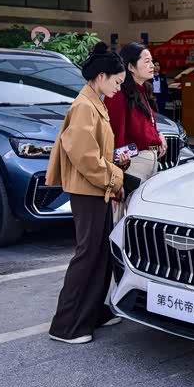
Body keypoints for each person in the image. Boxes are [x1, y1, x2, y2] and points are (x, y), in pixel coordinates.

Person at [45, 42, 128, 344]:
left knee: (99, 253)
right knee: (88, 254)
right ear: (101, 76)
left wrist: (113, 170)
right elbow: (85, 156)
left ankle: (91, 312)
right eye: (117, 81)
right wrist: (116, 178)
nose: (119, 87)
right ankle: (65, 326)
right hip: (89, 190)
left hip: (96, 188)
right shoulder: (84, 106)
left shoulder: (95, 102)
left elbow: (93, 152)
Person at [106, 43, 167, 195]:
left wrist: (158, 135)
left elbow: (146, 123)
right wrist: (118, 167)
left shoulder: (143, 90)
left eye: (152, 61)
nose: (152, 66)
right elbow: (115, 131)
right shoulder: (119, 94)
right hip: (132, 162)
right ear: (131, 67)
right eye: (147, 61)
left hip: (151, 160)